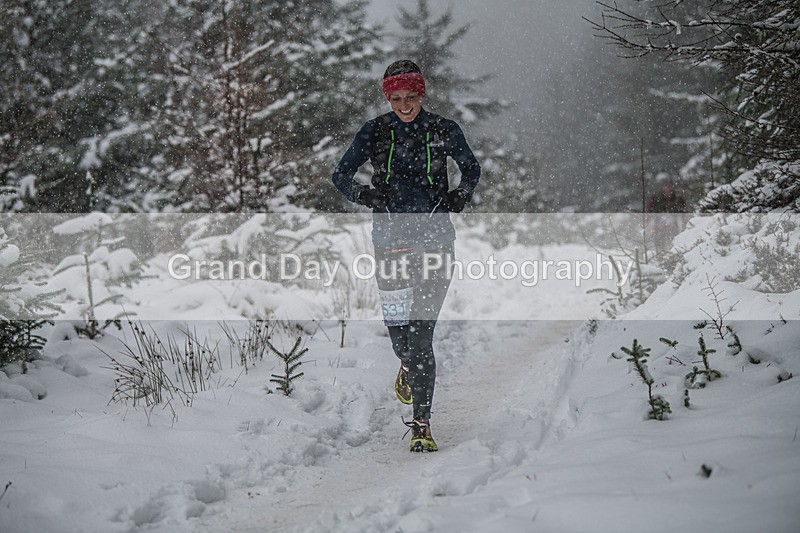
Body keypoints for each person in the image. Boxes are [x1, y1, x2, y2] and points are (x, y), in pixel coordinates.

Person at [331, 59, 480, 452]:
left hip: (435, 241)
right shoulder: (376, 131)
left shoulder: (443, 130)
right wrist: (365, 195)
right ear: (387, 97)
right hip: (390, 242)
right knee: (402, 341)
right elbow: (340, 175)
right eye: (396, 98)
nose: (404, 105)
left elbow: (471, 168)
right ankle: (406, 365)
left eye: (410, 97)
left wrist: (460, 194)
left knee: (421, 337)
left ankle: (422, 424)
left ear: (421, 94)